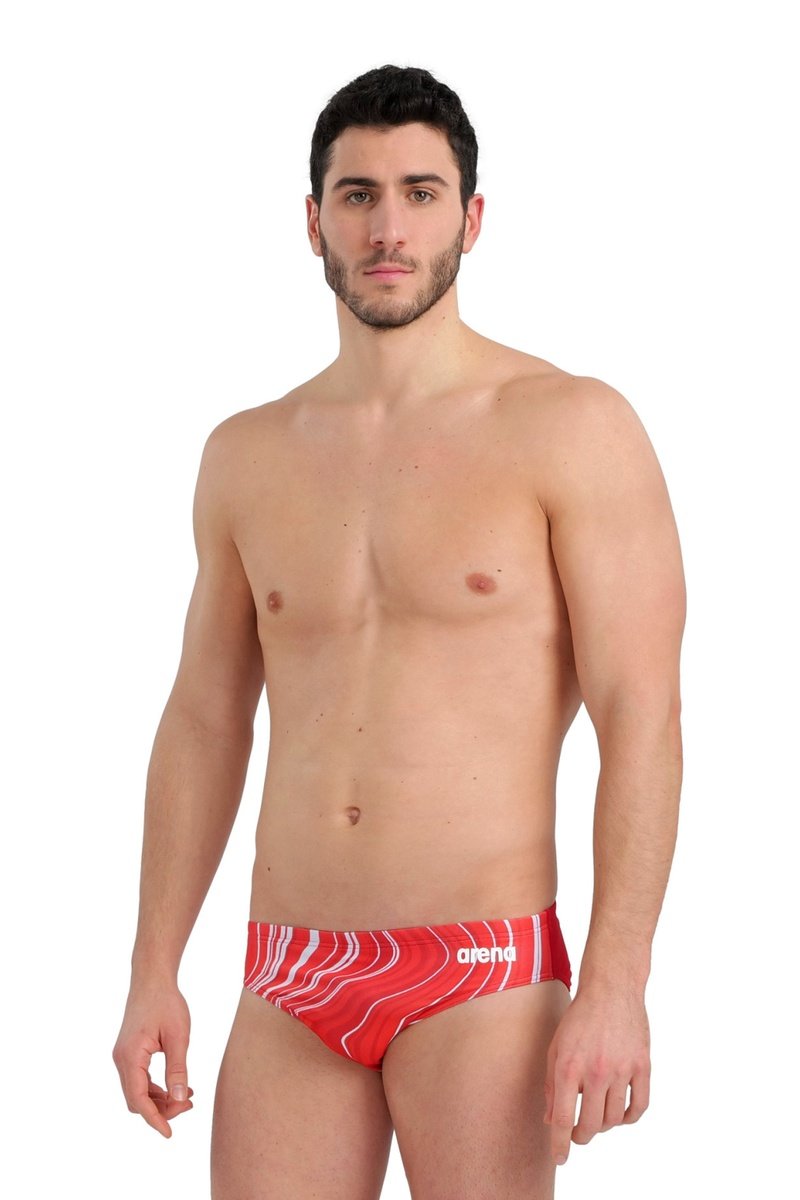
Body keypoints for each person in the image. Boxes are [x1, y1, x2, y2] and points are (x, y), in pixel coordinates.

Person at [112, 63, 686, 1199]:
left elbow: (643, 716)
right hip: (289, 973)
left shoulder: (570, 427)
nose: (388, 228)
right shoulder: (246, 454)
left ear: (471, 219)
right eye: (358, 194)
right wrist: (152, 966)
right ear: (312, 221)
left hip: (482, 971)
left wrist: (617, 982)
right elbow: (205, 717)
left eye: (421, 194)